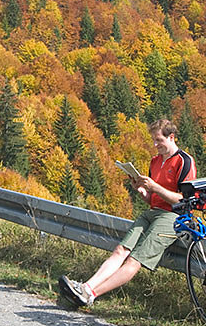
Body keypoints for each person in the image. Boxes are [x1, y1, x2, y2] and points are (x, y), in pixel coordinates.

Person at [59, 118, 195, 308]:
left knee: (134, 260)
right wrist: (143, 193)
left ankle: (90, 293)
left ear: (171, 137)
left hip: (174, 216)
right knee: (120, 250)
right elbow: (153, 198)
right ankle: (86, 287)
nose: (155, 145)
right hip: (153, 211)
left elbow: (185, 201)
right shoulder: (155, 161)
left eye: (159, 141)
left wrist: (154, 187)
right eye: (154, 141)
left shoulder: (184, 161)